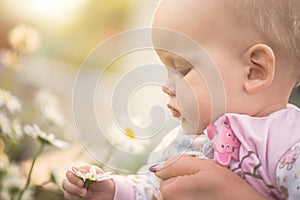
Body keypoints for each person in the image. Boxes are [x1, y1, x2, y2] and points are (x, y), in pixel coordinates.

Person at [62, 0, 300, 199]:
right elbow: (154, 189)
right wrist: (113, 190)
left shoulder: (289, 145)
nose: (166, 86)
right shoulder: (184, 142)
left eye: (183, 69)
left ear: (254, 71)